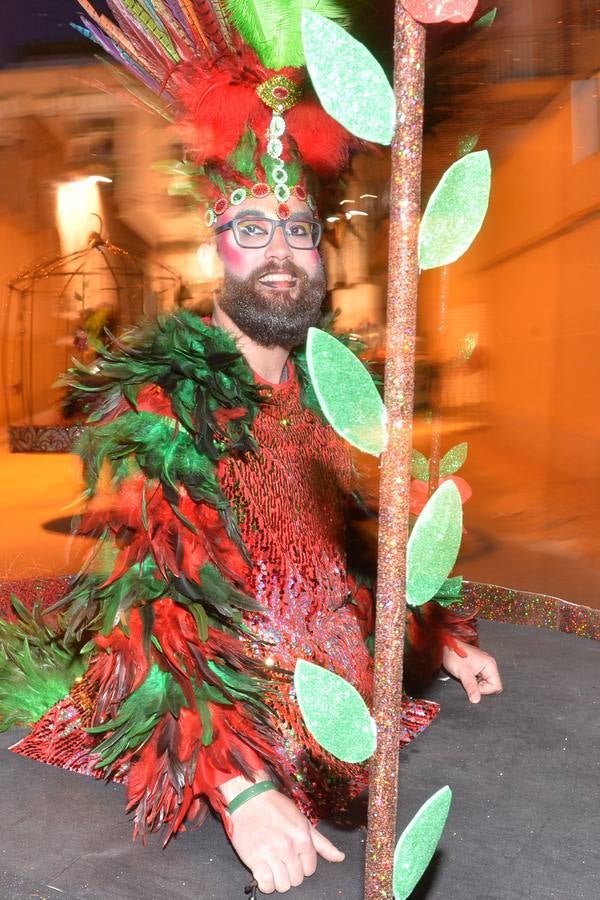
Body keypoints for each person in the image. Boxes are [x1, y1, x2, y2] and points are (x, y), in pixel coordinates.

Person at [0, 1, 502, 895]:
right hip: (216, 711)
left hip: (339, 698)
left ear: (323, 255)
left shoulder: (329, 393)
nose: (281, 251)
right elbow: (150, 616)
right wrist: (241, 787)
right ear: (216, 249)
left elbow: (346, 547)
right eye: (252, 229)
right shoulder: (162, 403)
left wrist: (427, 630)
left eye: (300, 231)